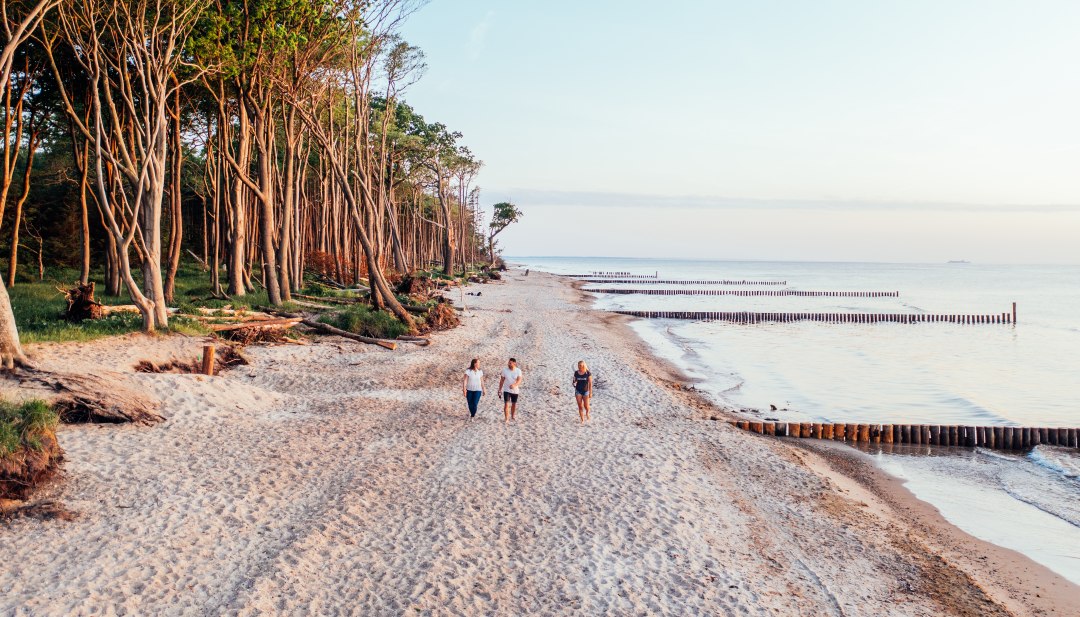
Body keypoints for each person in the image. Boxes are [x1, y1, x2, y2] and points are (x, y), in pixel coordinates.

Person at [498, 357, 523, 423]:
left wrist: (514, 385)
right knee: (506, 404)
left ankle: (513, 416)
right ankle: (506, 418)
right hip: (506, 390)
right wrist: (499, 390)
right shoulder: (504, 370)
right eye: (508, 363)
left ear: (514, 363)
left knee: (514, 404)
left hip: (515, 390)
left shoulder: (518, 371)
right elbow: (502, 380)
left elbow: (519, 380)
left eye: (510, 363)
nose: (508, 364)